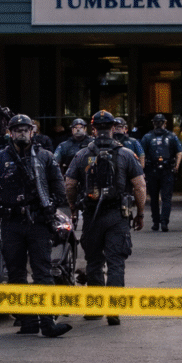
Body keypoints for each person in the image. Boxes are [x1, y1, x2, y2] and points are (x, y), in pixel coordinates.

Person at [0, 114, 72, 338]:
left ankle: (48, 323)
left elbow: (60, 189)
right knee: (16, 273)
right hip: (11, 223)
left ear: (33, 132)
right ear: (10, 133)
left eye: (25, 129)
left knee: (43, 272)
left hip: (38, 222)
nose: (21, 133)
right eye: (17, 129)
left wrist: (59, 212)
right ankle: (28, 321)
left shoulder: (46, 158)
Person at [65, 110, 147, 326]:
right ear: (113, 128)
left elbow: (70, 185)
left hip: (91, 216)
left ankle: (94, 309)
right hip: (117, 216)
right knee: (116, 263)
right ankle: (114, 309)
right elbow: (139, 186)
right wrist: (140, 213)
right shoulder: (127, 154)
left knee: (93, 261)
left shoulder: (82, 155)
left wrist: (73, 208)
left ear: (93, 129)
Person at [140, 113, 182, 232]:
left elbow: (141, 154)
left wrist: (142, 168)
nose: (159, 125)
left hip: (155, 170)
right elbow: (180, 152)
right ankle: (163, 222)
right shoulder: (171, 136)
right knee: (165, 198)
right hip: (165, 169)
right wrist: (177, 166)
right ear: (165, 123)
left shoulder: (147, 137)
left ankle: (158, 222)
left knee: (155, 198)